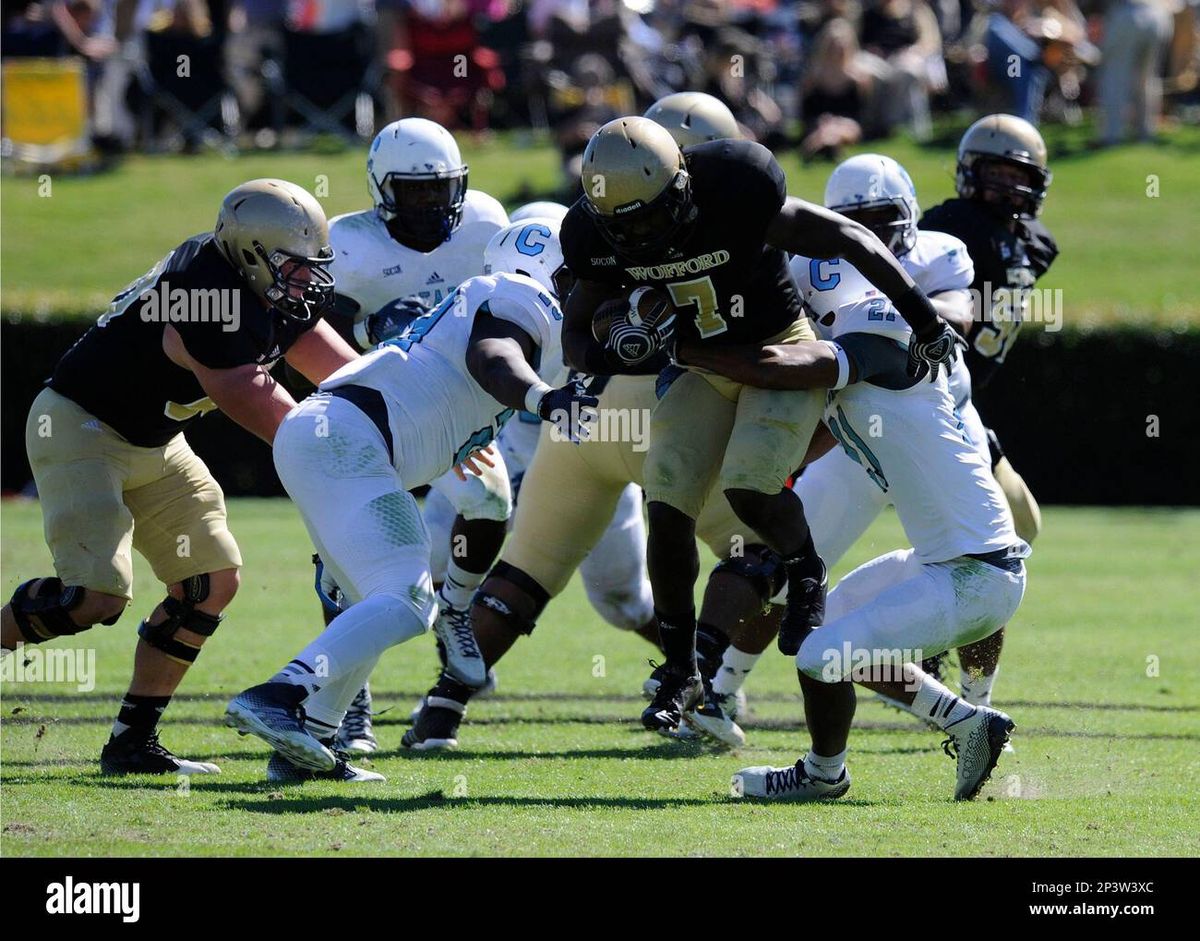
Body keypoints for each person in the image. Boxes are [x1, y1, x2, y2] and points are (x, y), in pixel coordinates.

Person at [559, 116, 958, 735]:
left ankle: (805, 572)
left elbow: (852, 237)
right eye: (624, 223)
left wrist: (925, 321)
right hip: (700, 365)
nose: (639, 234)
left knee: (750, 487)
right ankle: (678, 666)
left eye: (650, 214)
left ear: (682, 185)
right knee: (665, 501)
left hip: (778, 353)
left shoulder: (736, 187)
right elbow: (575, 340)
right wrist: (622, 350)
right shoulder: (591, 235)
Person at [1, 179, 358, 775]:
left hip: (156, 441)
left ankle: (131, 743)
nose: (305, 281)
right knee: (93, 599)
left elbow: (336, 367)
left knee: (209, 582)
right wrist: (348, 457)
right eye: (292, 266)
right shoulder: (202, 291)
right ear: (249, 252)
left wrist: (400, 414)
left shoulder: (263, 282)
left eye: (309, 266)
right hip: (82, 426)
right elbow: (257, 402)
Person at [224, 218, 596, 782]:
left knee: (369, 600)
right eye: (579, 280)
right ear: (557, 272)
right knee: (409, 599)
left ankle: (311, 746)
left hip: (336, 437)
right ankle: (280, 694)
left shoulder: (487, 297)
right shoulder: (525, 296)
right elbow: (494, 357)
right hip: (350, 442)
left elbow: (447, 388)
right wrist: (545, 400)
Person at [673, 260, 1026, 803]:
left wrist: (682, 347)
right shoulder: (857, 345)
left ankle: (824, 773)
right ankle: (966, 723)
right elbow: (809, 435)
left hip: (976, 574)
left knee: (822, 657)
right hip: (946, 561)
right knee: (830, 631)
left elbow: (778, 364)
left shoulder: (882, 326)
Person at [309, 116, 509, 755]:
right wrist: (380, 346)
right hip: (375, 418)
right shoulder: (348, 245)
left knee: (493, 505)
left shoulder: (483, 223)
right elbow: (316, 342)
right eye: (413, 191)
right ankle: (349, 712)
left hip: (453, 416)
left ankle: (455, 606)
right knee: (349, 572)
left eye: (439, 188)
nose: (429, 203)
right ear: (379, 187)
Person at [918, 113, 1057, 702]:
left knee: (1018, 525)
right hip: (924, 398)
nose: (1005, 186)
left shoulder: (1036, 244)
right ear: (969, 173)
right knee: (988, 539)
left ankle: (936, 650)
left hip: (963, 405)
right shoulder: (950, 226)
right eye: (994, 173)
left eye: (1016, 175)